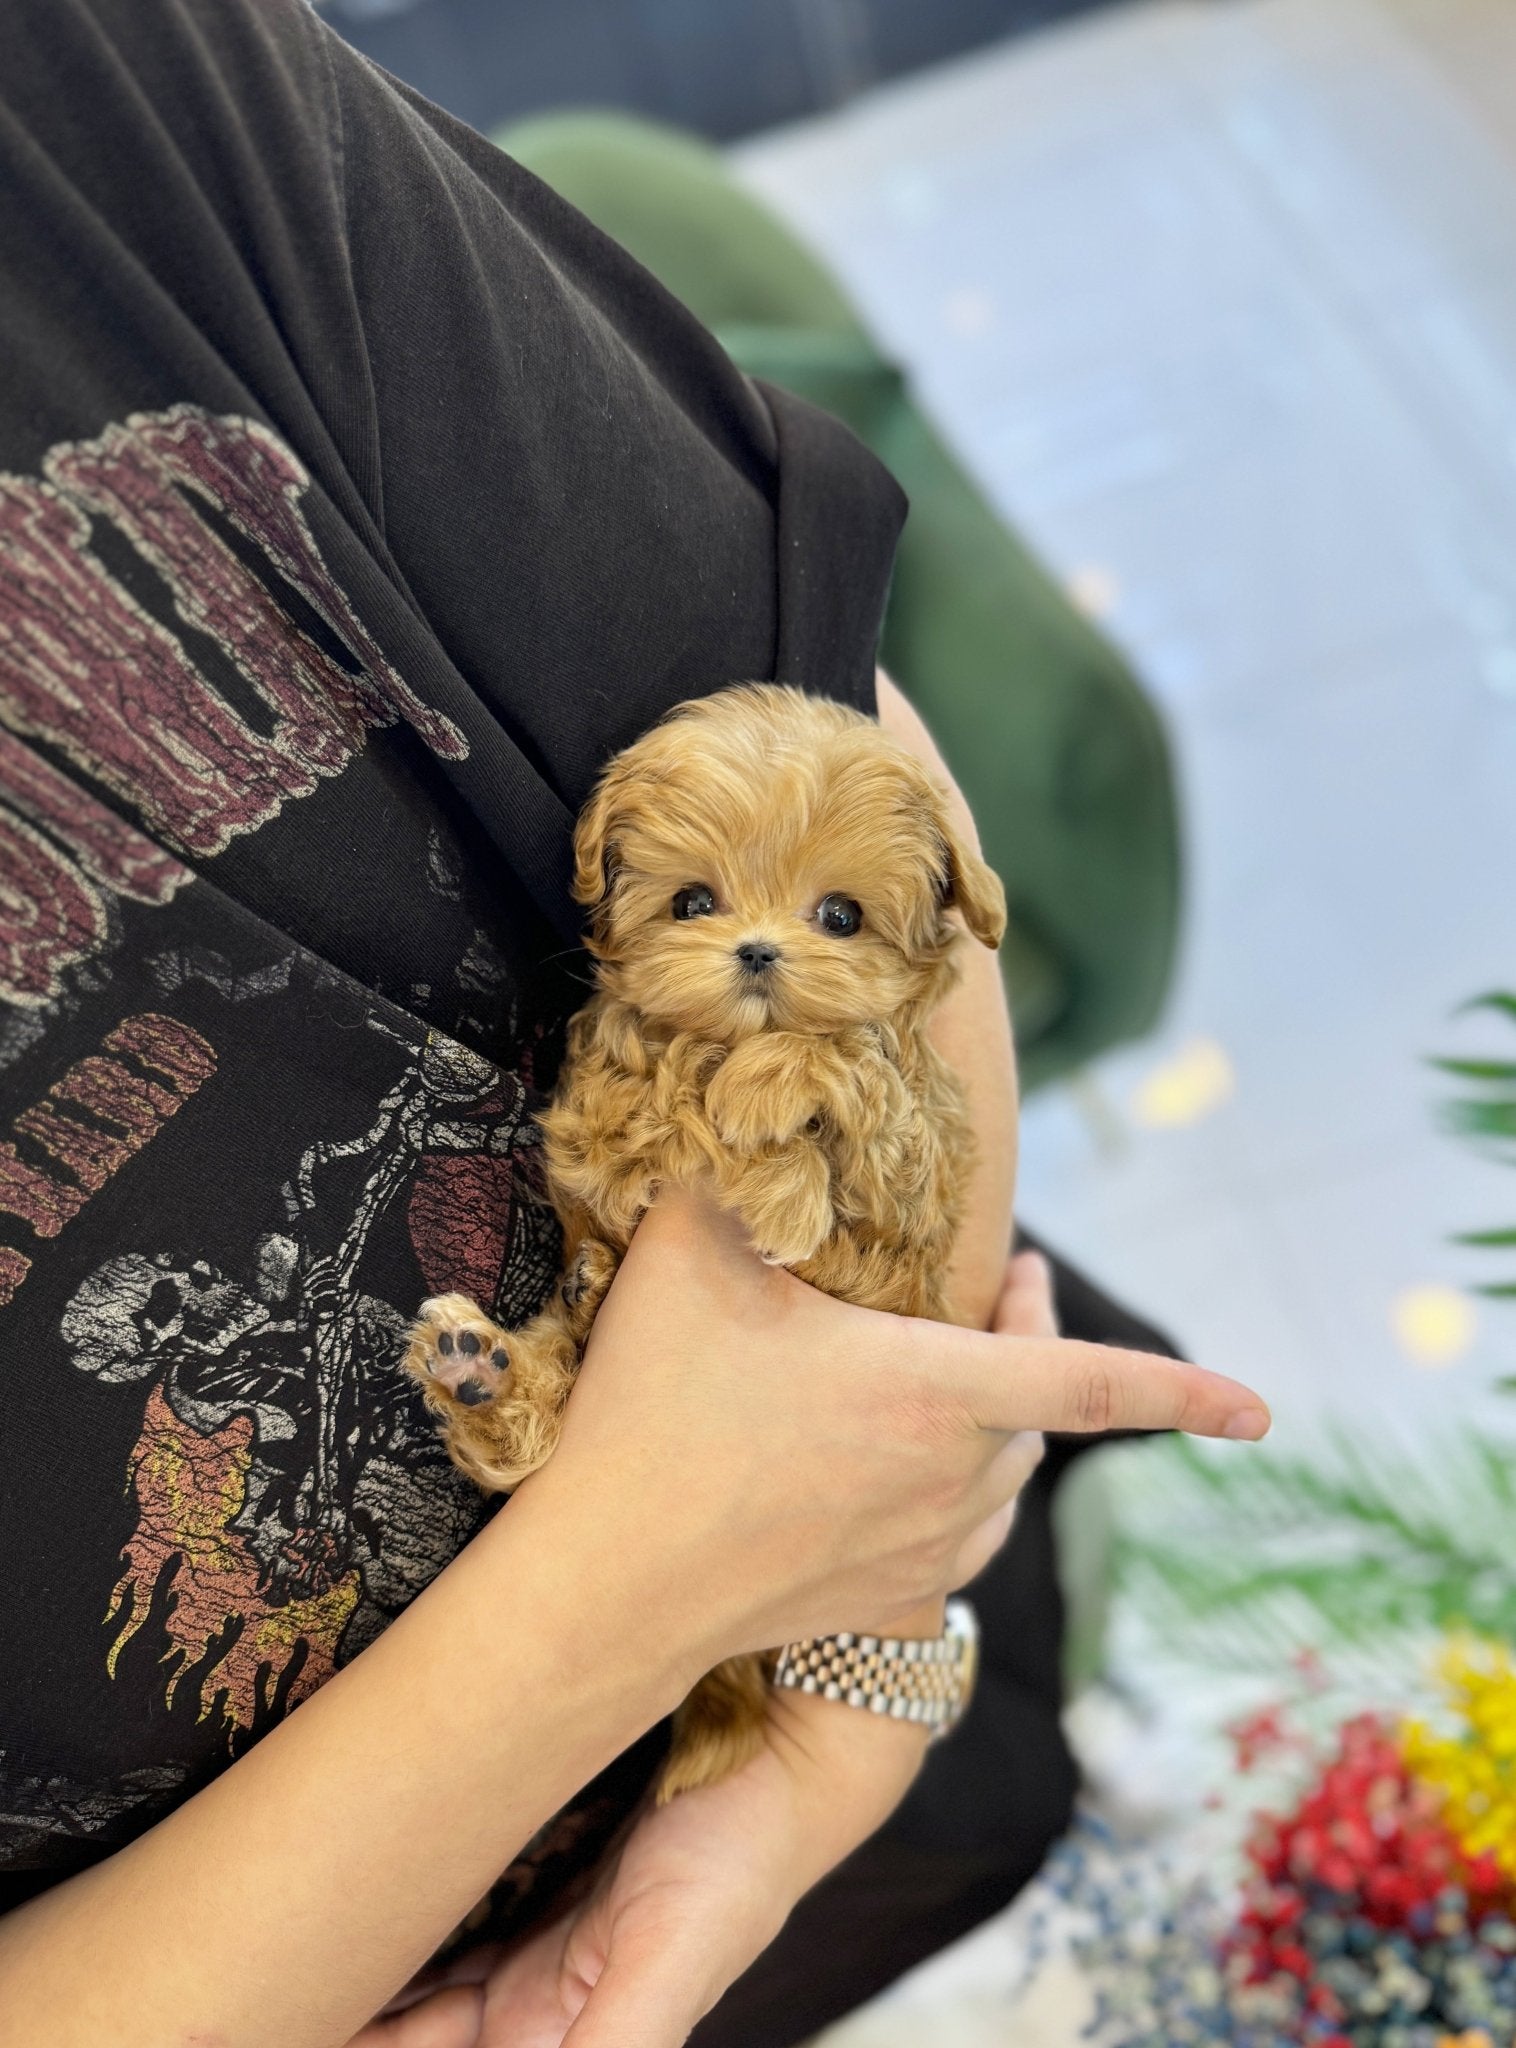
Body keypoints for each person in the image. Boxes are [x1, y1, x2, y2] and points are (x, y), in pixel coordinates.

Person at [0, 3, 1271, 2043]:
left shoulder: (79, 83)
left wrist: (828, 1700)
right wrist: (655, 1601)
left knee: (1006, 1796)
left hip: (883, 1615)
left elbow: (809, 711)